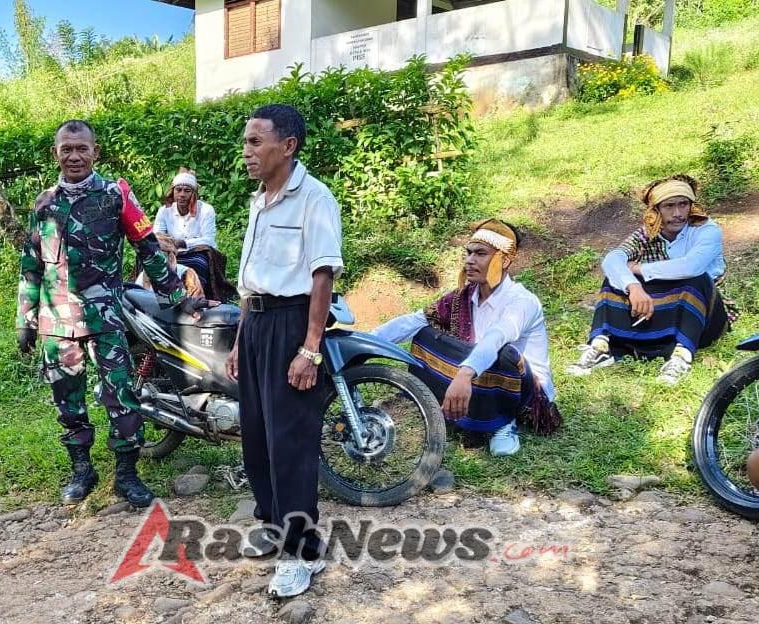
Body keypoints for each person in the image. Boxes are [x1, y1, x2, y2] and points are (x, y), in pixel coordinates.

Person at [16, 119, 210, 508]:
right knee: (67, 402)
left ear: (95, 152)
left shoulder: (115, 195)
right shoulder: (44, 204)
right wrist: (26, 318)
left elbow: (147, 248)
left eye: (81, 148)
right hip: (57, 321)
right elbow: (31, 264)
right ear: (56, 153)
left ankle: (126, 475)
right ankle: (82, 471)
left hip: (106, 317)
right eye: (66, 149)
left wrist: (176, 295)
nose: (74, 156)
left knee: (121, 396)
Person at [225, 104, 343, 598]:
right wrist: (238, 341)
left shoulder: (314, 198)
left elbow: (322, 276)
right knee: (257, 436)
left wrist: (310, 349)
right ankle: (274, 525)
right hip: (255, 326)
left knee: (291, 442)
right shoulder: (259, 200)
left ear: (288, 145)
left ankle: (302, 552)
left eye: (256, 142)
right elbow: (251, 283)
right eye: (247, 142)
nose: (247, 151)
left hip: (294, 326)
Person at [373, 219, 560, 457]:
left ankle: (503, 422)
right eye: (468, 253)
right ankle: (450, 407)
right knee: (426, 334)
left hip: (523, 390)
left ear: (504, 260)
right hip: (478, 374)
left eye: (480, 254)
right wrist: (365, 341)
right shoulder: (465, 296)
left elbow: (496, 336)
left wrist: (463, 374)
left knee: (503, 354)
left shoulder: (522, 301)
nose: (470, 261)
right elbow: (415, 320)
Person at [565, 174, 728, 385]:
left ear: (691, 206)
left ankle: (682, 356)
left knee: (695, 278)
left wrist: (640, 269)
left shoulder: (706, 230)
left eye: (683, 205)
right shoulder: (649, 233)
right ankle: (600, 346)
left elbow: (691, 266)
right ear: (657, 210)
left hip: (704, 314)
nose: (677, 213)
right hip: (662, 308)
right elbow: (613, 259)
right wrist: (633, 286)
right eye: (669, 206)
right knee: (615, 280)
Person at [154, 168, 217, 289]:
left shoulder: (206, 210)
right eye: (178, 190)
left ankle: (196, 298)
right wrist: (166, 244)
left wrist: (183, 243)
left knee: (198, 264)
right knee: (150, 261)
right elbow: (157, 236)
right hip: (171, 252)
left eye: (187, 191)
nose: (182, 195)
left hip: (197, 252)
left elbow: (209, 241)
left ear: (194, 193)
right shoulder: (164, 211)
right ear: (173, 192)